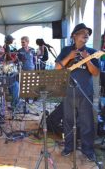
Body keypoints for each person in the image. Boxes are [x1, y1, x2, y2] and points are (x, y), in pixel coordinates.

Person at [55, 23, 99, 162]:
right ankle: (69, 147)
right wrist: (69, 57)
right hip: (68, 92)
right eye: (82, 32)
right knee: (68, 121)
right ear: (74, 35)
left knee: (87, 123)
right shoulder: (66, 50)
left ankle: (88, 150)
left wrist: (88, 59)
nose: (86, 34)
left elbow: (96, 73)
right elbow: (57, 68)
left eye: (88, 33)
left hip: (85, 92)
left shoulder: (92, 51)